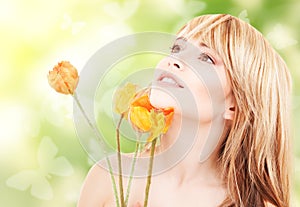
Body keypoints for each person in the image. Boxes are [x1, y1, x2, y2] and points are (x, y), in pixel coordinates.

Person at [77, 14, 292, 207]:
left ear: (234, 106)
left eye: (206, 58)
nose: (175, 60)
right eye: (177, 48)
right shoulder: (110, 176)